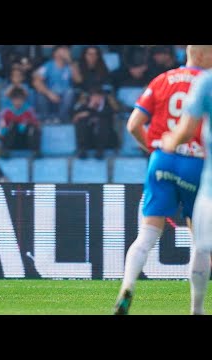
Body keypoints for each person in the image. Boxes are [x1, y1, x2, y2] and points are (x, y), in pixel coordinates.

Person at [113, 45, 212, 315]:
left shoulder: (162, 80)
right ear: (201, 55)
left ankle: (127, 287)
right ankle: (197, 309)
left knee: (146, 235)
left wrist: (153, 149)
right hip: (197, 162)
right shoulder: (207, 83)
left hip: (162, 160)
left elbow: (133, 124)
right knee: (200, 241)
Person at [162, 67, 212, 315]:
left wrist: (169, 142)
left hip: (210, 186)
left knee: (202, 248)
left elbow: (186, 130)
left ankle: (197, 309)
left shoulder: (207, 82)